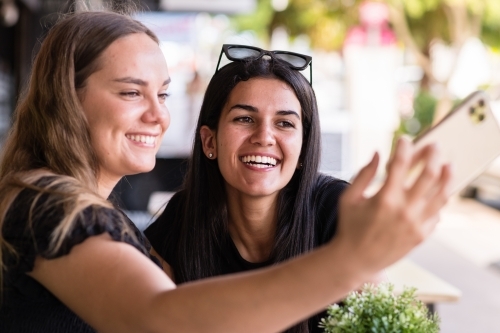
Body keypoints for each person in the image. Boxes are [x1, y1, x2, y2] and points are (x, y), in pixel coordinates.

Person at [0, 10, 451, 333]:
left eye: (164, 95)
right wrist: (350, 260)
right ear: (68, 99)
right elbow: (161, 317)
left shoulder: (65, 207)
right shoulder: (47, 206)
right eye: (132, 93)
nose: (159, 116)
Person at [143, 45, 399, 332]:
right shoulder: (181, 219)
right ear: (209, 142)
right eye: (244, 119)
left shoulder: (336, 211)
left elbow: (388, 323)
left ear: (303, 150)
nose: (264, 137)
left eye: (285, 123)